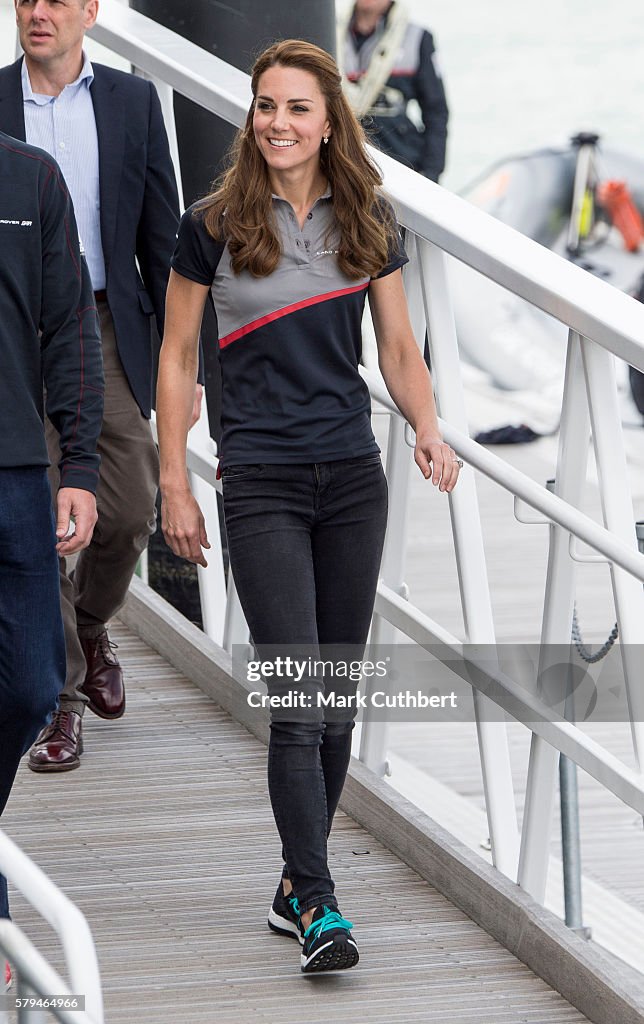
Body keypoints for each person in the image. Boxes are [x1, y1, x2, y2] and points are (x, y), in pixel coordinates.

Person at [156, 38, 461, 974]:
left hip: (350, 479)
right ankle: (322, 905)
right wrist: (174, 479)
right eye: (264, 107)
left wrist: (426, 425)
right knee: (299, 701)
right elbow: (175, 360)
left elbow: (400, 352)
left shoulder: (368, 217)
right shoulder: (212, 223)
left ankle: (296, 883)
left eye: (295, 108)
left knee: (335, 707)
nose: (277, 123)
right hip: (261, 482)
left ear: (330, 122)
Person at [0, 0, 187, 771]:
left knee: (131, 503)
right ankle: (62, 706)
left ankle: (90, 625)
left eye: (55, 0)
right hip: (17, 332)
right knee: (45, 513)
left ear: (90, 12)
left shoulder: (131, 100)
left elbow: (164, 236)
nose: (37, 13)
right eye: (23, 0)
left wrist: (185, 365)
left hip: (106, 327)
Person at [0, 127, 103, 933]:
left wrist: (78, 469)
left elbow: (70, 328)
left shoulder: (32, 178)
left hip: (18, 472)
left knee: (34, 686)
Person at [338, 0, 448, 182]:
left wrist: (431, 173)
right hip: (344, 164)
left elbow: (435, 111)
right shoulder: (329, 30)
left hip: (400, 165)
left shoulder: (417, 37)